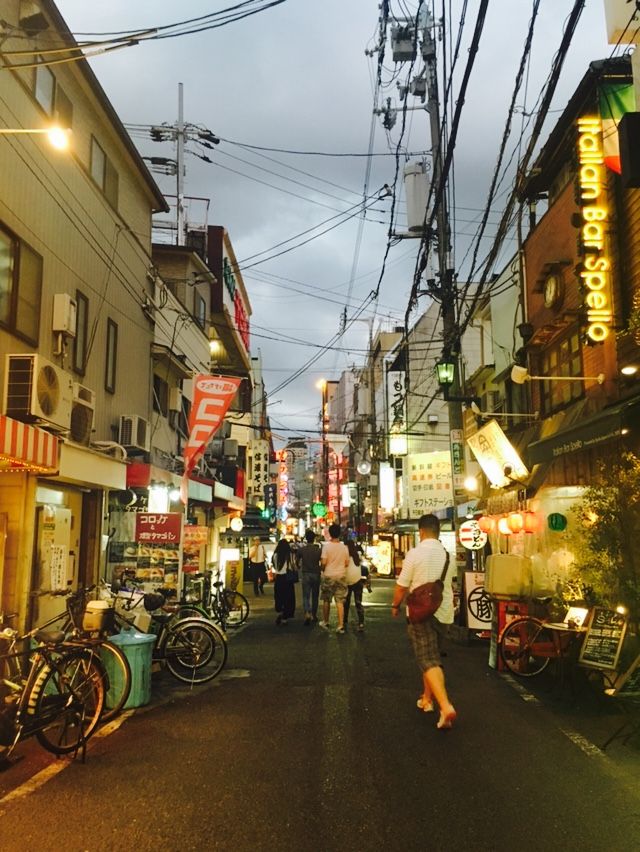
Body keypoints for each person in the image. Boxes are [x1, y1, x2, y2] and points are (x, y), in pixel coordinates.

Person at [391, 513, 456, 730]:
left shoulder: (414, 554)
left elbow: (402, 585)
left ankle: (445, 706)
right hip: (444, 612)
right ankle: (426, 700)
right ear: (437, 532)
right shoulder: (448, 556)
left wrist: (395, 605)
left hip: (421, 614)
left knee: (428, 660)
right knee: (433, 657)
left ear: (420, 532)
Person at [319, 524, 349, 633]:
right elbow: (346, 563)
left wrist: (322, 569)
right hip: (341, 575)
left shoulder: (326, 547)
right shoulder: (344, 547)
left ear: (330, 534)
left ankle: (326, 621)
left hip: (329, 575)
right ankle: (340, 625)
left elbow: (323, 562)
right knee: (340, 601)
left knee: (326, 599)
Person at [297, 529, 322, 624]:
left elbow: (296, 561)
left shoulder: (302, 550)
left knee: (306, 595)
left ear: (306, 539)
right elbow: (322, 561)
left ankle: (307, 613)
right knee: (315, 595)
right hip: (316, 573)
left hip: (306, 573)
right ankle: (314, 615)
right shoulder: (318, 550)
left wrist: (299, 566)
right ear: (314, 538)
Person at [271, 538, 297, 625]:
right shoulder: (290, 555)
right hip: (287, 579)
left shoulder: (275, 555)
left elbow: (274, 567)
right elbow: (293, 566)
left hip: (278, 578)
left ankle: (281, 612)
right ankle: (285, 616)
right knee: (288, 598)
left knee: (279, 596)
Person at [344, 539, 366, 632]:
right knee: (358, 602)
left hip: (347, 581)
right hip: (357, 581)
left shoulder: (345, 557)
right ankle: (361, 622)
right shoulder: (357, 556)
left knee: (346, 602)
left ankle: (344, 620)